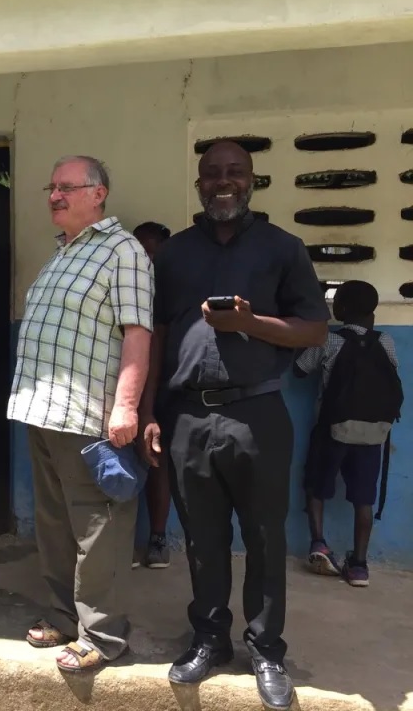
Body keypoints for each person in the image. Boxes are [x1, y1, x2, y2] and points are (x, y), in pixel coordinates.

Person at [139, 140, 328, 709]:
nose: (224, 182)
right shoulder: (174, 254)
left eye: (235, 172)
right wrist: (149, 411)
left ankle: (267, 649)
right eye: (213, 174)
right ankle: (209, 638)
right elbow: (159, 336)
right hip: (189, 415)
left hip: (257, 413)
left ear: (252, 180)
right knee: (202, 538)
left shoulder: (282, 248)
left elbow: (314, 329)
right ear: (199, 183)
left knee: (266, 538)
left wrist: (252, 322)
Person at [8, 157, 152, 673]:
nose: (54, 196)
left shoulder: (122, 251)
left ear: (99, 194)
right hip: (42, 412)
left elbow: (137, 333)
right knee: (54, 523)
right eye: (52, 187)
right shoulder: (62, 252)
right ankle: (65, 618)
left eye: (67, 188)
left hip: (89, 415)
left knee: (99, 529)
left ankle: (103, 634)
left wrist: (126, 407)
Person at [294, 280, 400, 588]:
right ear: (373, 310)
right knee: (363, 499)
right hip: (373, 433)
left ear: (339, 309)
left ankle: (318, 544)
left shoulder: (330, 340)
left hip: (332, 429)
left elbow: (300, 369)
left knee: (316, 486)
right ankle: (359, 566)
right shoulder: (387, 341)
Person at [131, 220, 173, 570]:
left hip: (164, 390)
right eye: (141, 249)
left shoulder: (170, 293)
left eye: (153, 251)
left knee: (158, 463)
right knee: (121, 462)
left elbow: (158, 348)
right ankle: (121, 541)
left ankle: (157, 539)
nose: (147, 257)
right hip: (125, 390)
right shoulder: (124, 286)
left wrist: (149, 405)